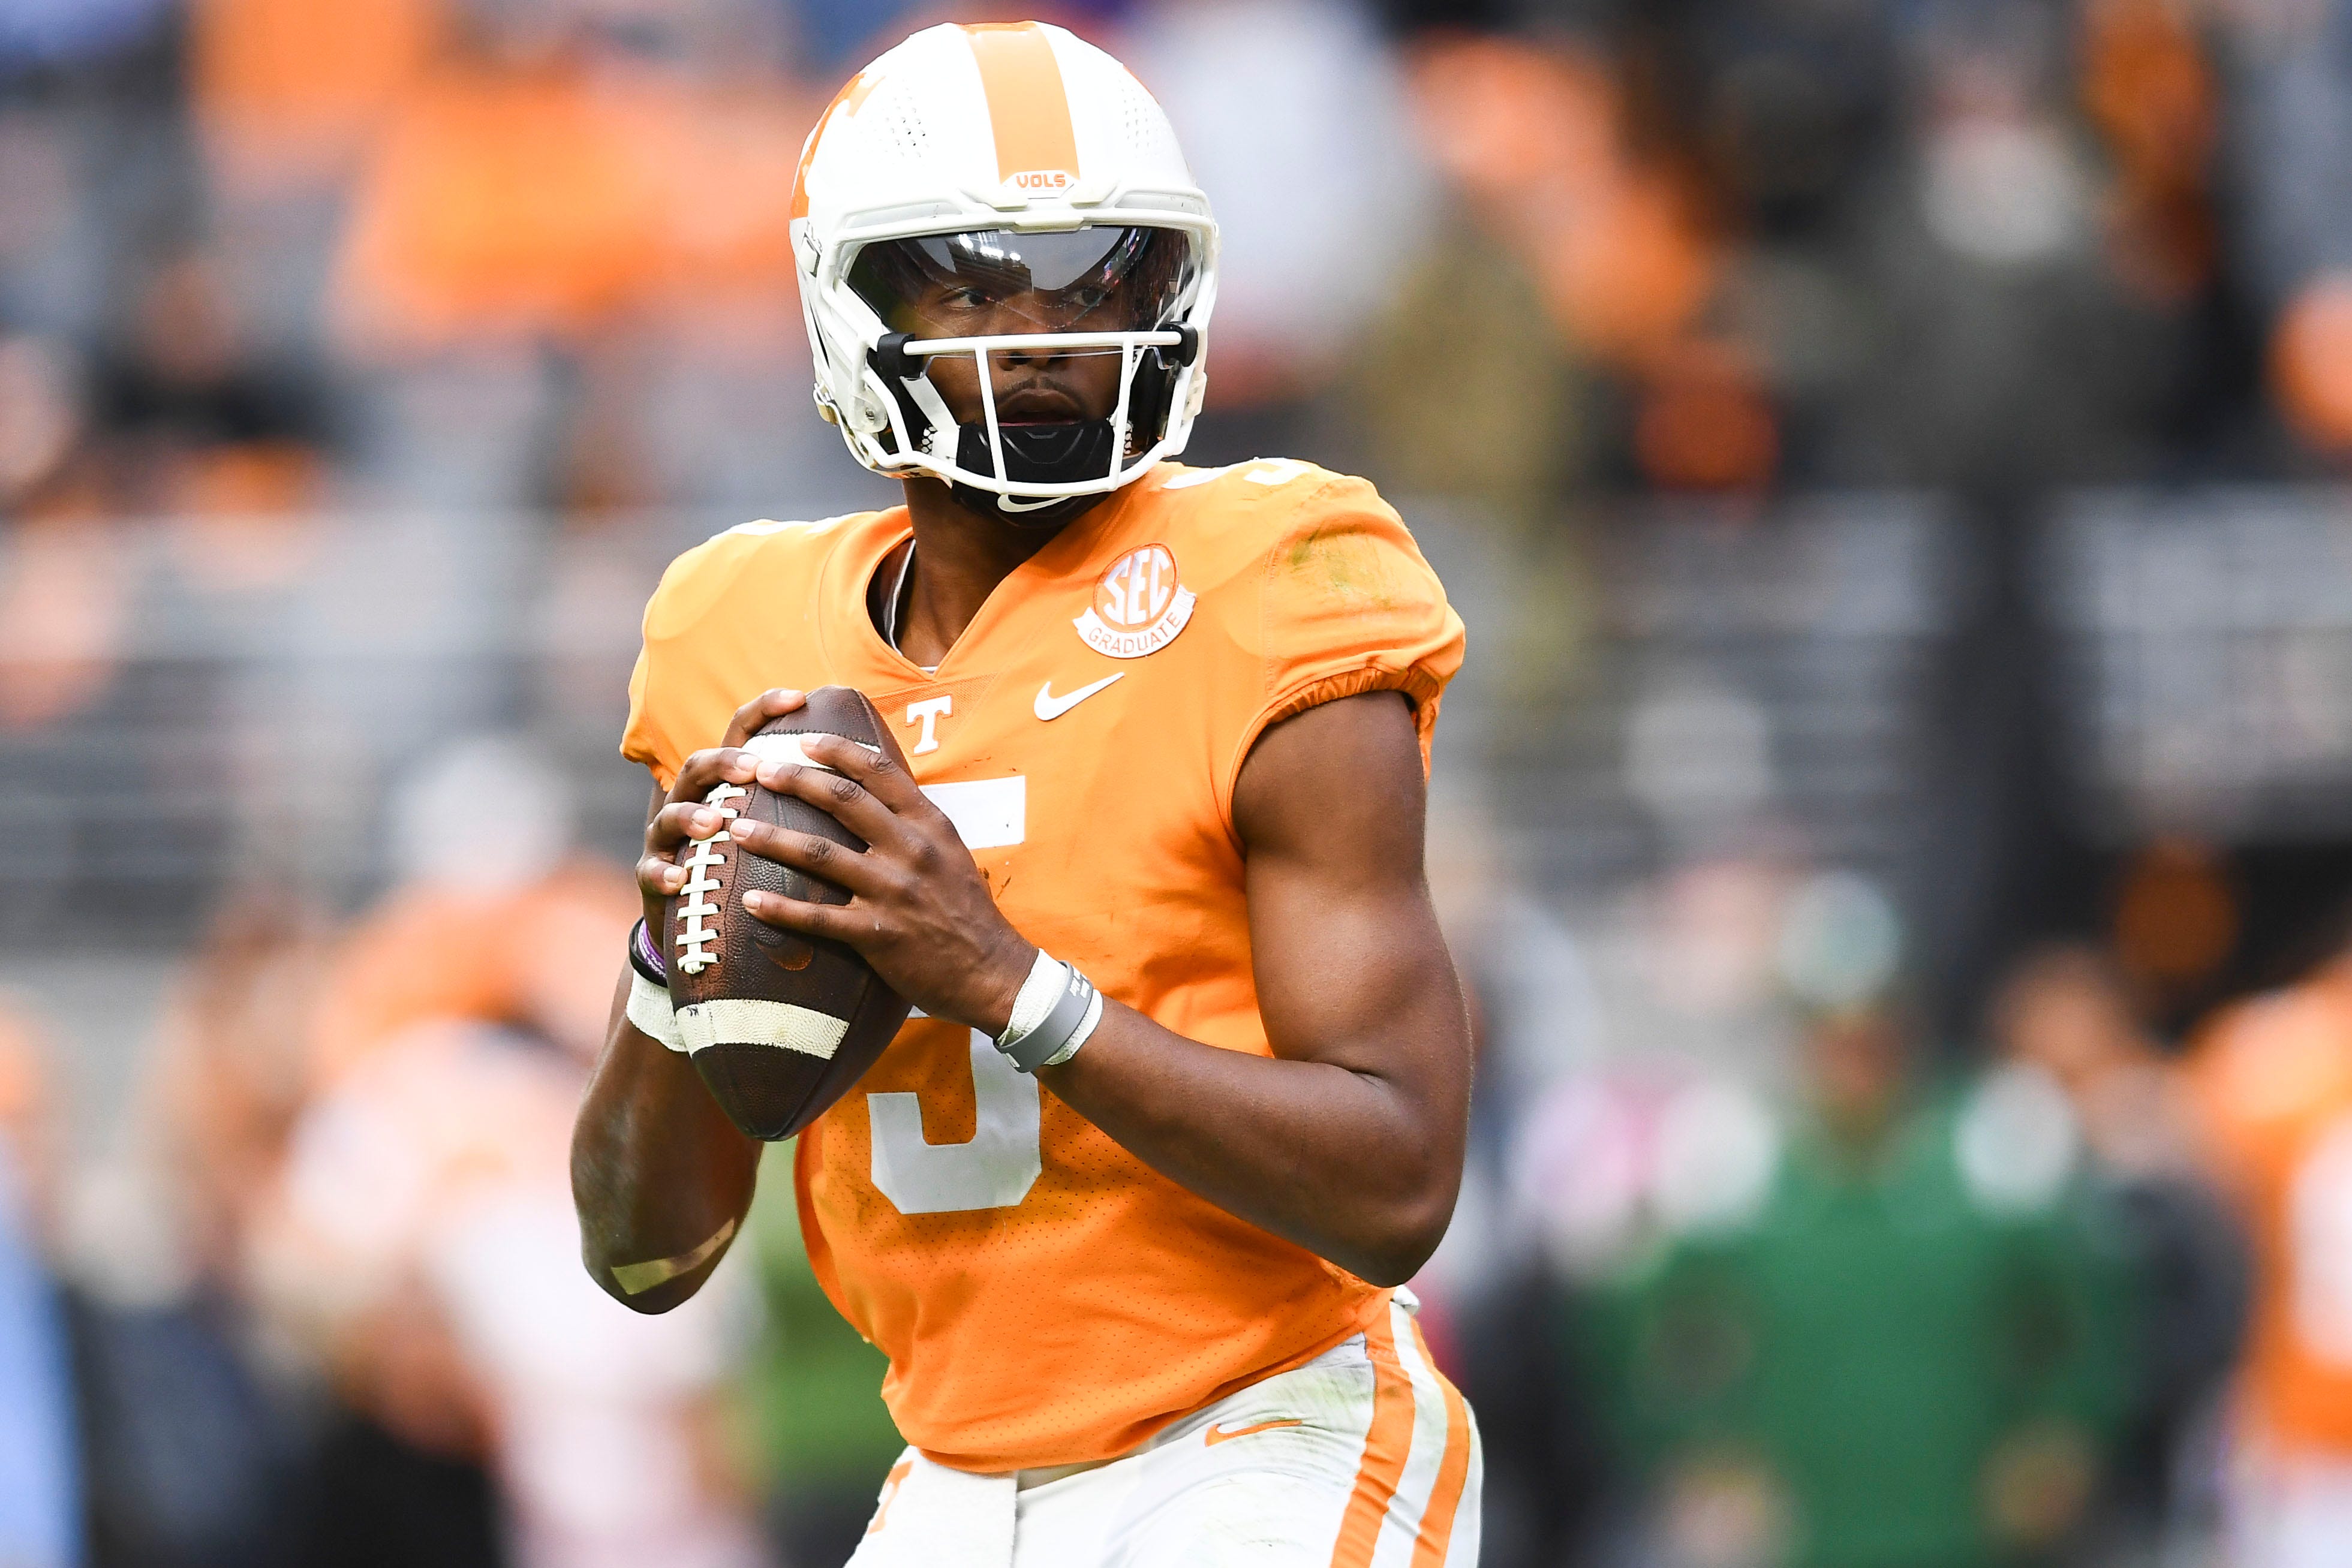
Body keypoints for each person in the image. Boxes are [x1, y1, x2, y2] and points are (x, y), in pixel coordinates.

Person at [570, 20, 1479, 1567]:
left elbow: (1396, 1180)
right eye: (973, 279)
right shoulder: (735, 636)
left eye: (1096, 278)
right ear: (848, 305)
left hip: (1258, 1434)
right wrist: (672, 972)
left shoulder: (1279, 579)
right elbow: (641, 1252)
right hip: (945, 1474)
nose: (1045, 333)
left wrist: (1002, 982)